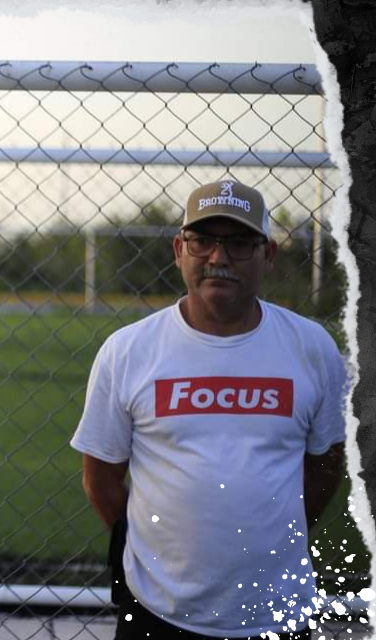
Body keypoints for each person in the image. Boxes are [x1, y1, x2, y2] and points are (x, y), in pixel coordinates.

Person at [71, 179, 348, 639]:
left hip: (278, 614)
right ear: (180, 249)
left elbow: (325, 465)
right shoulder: (128, 351)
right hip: (158, 612)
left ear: (269, 255)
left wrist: (273, 534)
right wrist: (161, 551)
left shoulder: (312, 348)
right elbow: (100, 477)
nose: (218, 259)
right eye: (203, 241)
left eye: (239, 244)